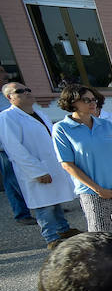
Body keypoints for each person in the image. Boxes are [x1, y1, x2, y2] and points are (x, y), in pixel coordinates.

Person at [0, 82, 77, 248]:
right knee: (44, 204)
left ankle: (63, 229)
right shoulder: (7, 117)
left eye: (28, 89)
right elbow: (14, 148)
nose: (27, 92)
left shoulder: (39, 113)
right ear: (10, 97)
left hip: (51, 165)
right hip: (35, 168)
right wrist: (36, 171)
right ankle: (51, 237)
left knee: (55, 200)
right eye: (20, 91)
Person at [53, 84, 112, 236]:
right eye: (86, 100)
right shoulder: (61, 128)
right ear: (72, 102)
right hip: (93, 192)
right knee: (101, 235)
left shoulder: (106, 124)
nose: (92, 103)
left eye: (94, 99)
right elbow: (67, 164)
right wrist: (98, 189)